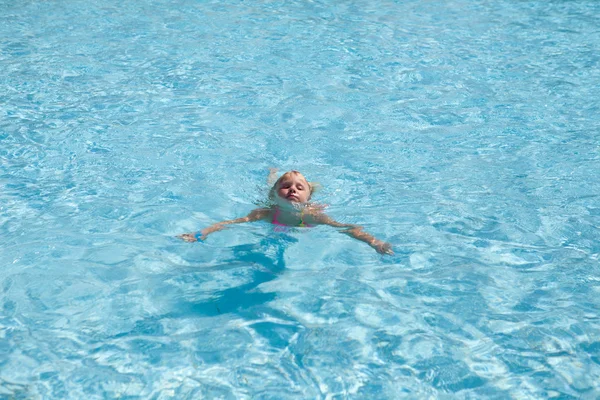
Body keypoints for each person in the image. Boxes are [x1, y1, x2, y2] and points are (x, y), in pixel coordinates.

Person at [178, 169, 394, 255]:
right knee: (268, 184)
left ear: (309, 198)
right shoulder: (264, 212)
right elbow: (229, 223)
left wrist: (374, 243)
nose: (292, 189)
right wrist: (201, 233)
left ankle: (275, 176)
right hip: (276, 211)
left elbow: (348, 229)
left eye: (300, 188)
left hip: (300, 221)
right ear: (275, 195)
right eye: (286, 186)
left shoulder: (313, 215)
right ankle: (272, 176)